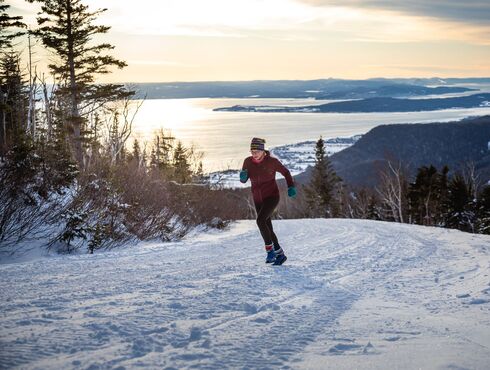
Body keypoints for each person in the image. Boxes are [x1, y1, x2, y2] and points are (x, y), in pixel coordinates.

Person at [240, 137, 297, 265]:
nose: (254, 153)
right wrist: (243, 177)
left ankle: (270, 251)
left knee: (260, 220)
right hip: (257, 198)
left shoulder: (272, 162)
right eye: (252, 151)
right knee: (267, 227)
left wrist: (291, 186)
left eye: (256, 151)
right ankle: (280, 254)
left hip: (272, 196)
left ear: (263, 150)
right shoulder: (247, 161)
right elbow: (244, 178)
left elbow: (286, 172)